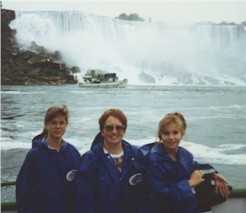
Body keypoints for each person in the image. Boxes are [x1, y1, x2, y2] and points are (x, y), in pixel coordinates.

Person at [140, 112, 230, 213]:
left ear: (181, 134)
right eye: (166, 133)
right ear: (160, 136)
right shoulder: (154, 160)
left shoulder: (185, 154)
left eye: (175, 132)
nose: (171, 137)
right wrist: (188, 184)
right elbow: (159, 194)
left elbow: (194, 166)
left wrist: (213, 173)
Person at [73, 108, 144, 213]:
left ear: (124, 130)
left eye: (119, 128)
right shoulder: (90, 160)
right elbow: (84, 201)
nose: (114, 132)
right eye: (109, 128)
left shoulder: (137, 155)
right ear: (102, 131)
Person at [16, 105, 81, 213]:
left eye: (61, 123)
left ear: (66, 125)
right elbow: (23, 190)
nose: (58, 126)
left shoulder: (73, 153)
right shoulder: (34, 156)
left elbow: (80, 189)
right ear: (46, 125)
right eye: (53, 123)